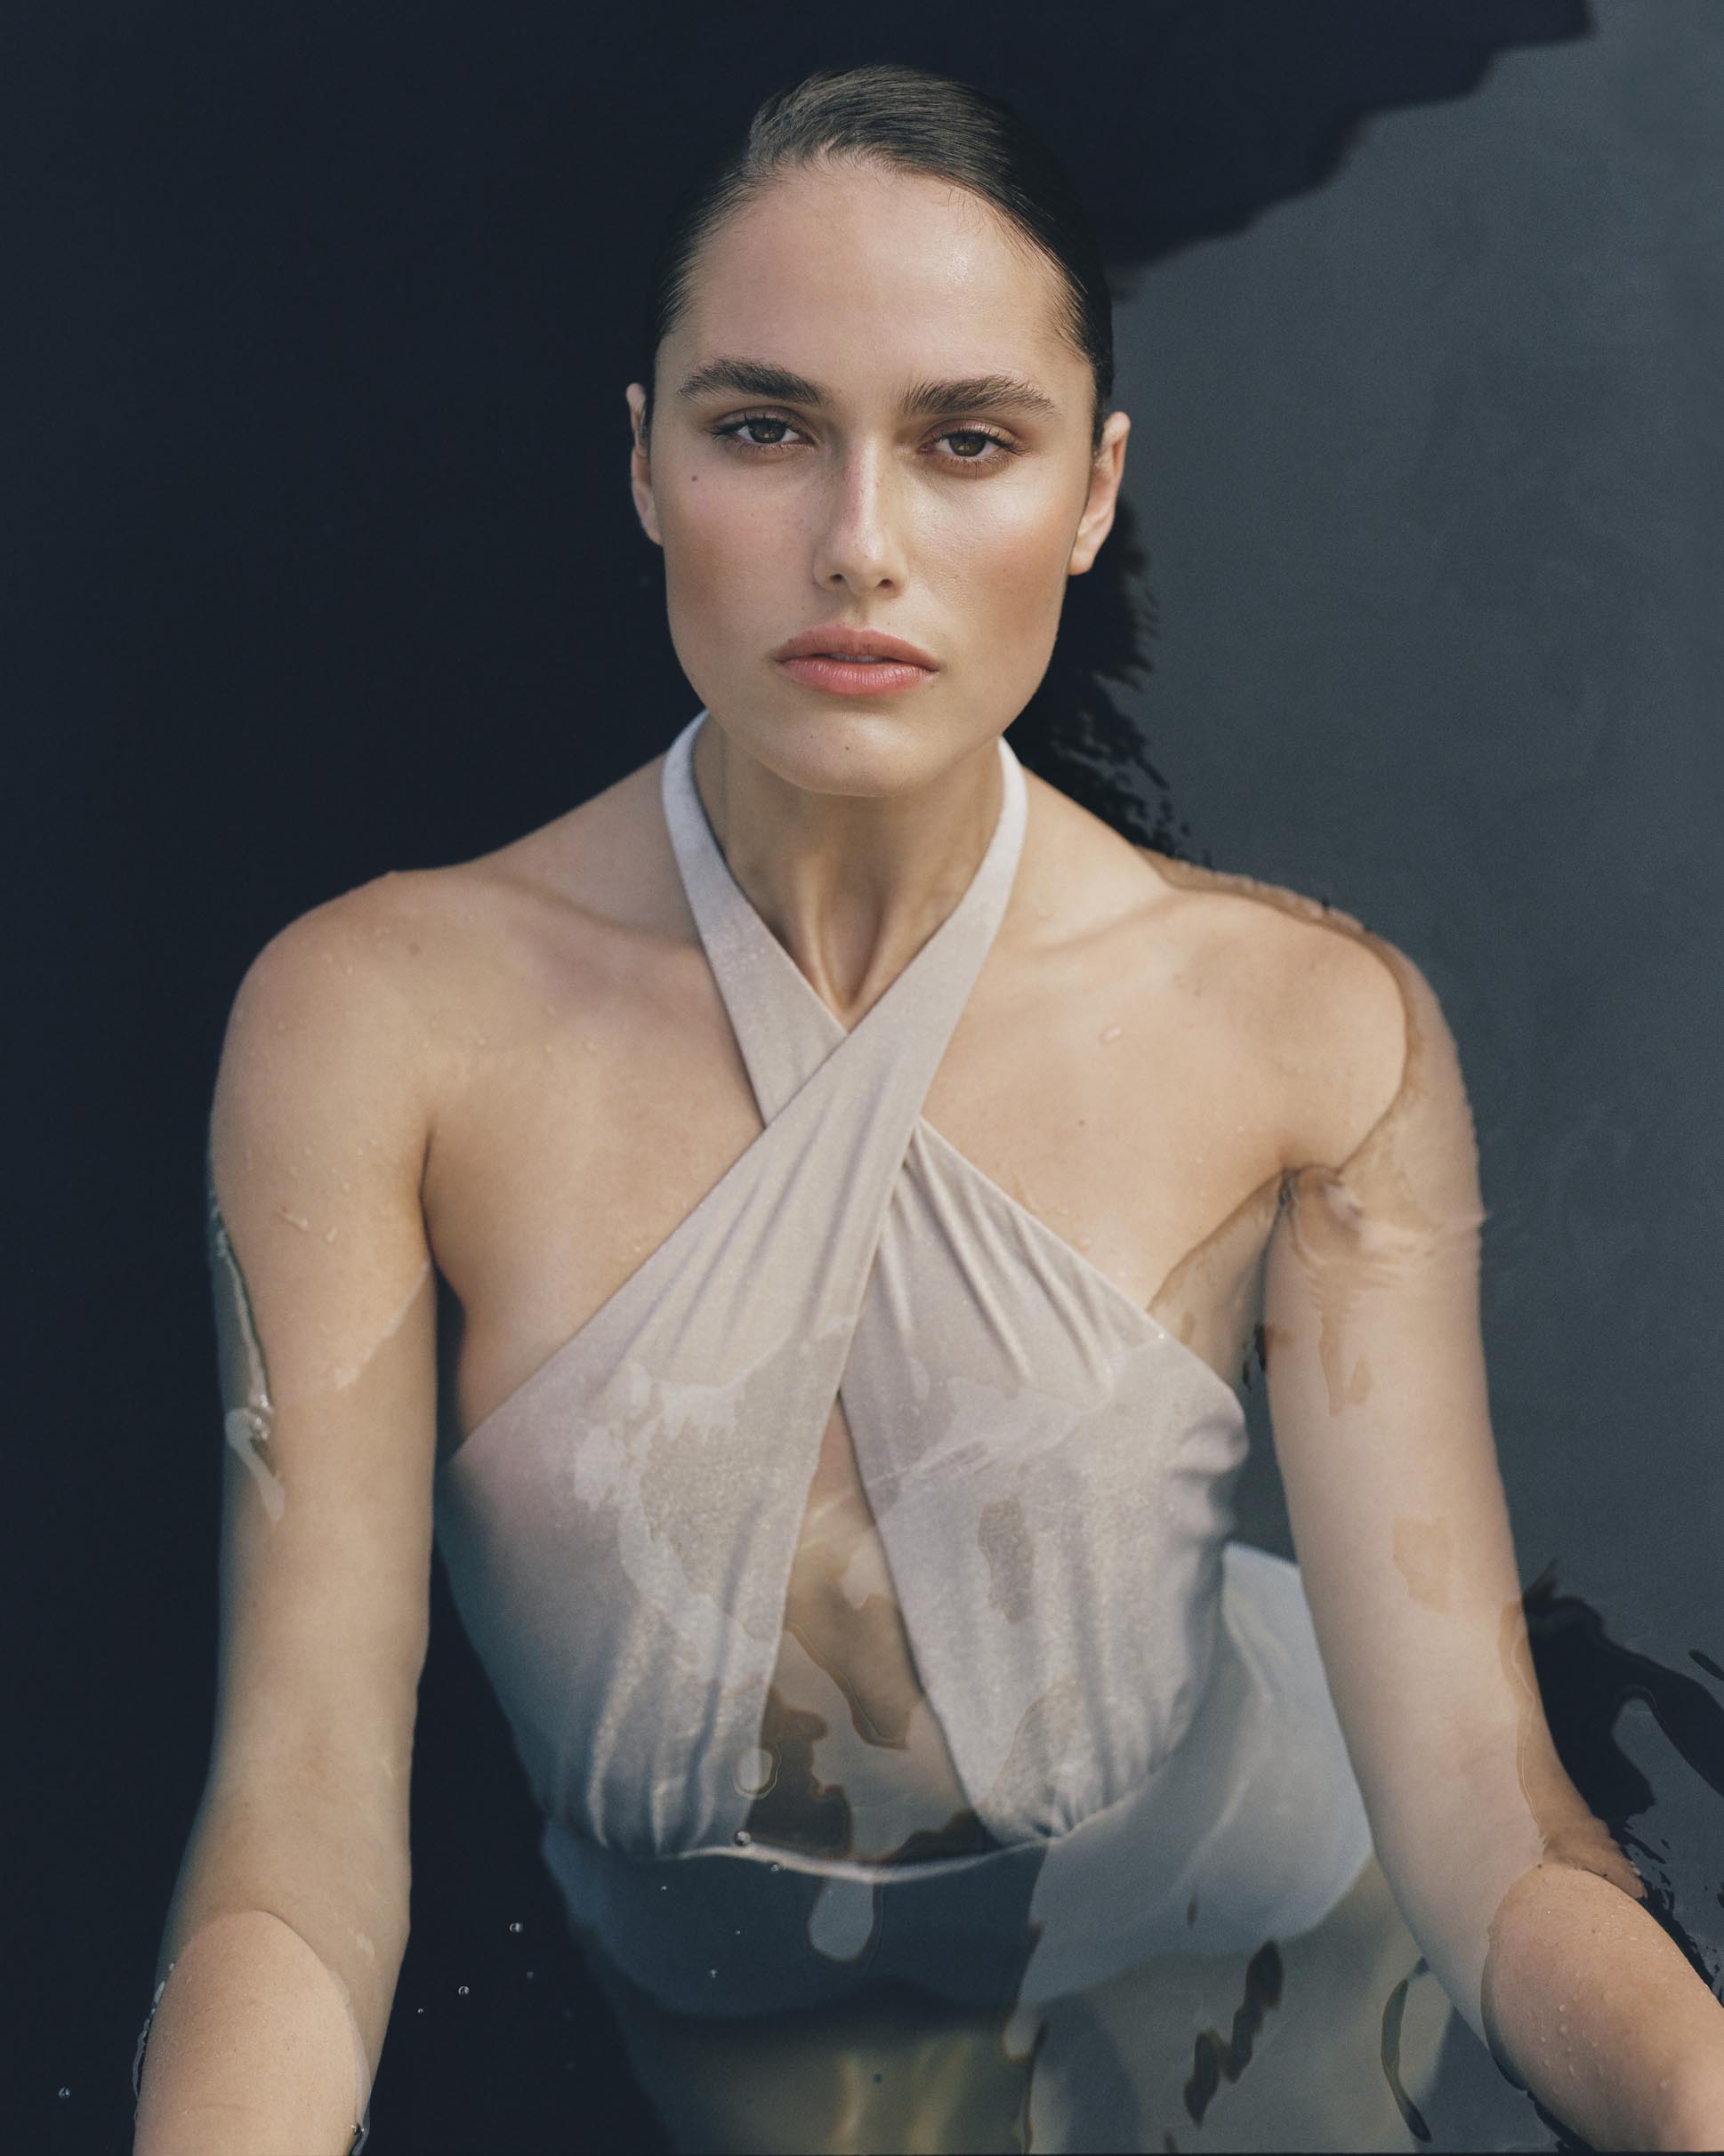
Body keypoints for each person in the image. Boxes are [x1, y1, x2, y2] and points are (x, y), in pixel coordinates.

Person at [133, 61, 1724, 2156]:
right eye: (764, 429)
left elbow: (1490, 1834)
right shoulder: (375, 1028)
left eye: (967, 440)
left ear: (1092, 490)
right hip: (728, 2029)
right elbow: (303, 1826)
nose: (858, 547)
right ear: (642, 461)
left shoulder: (1308, 1035)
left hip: (1262, 1928)